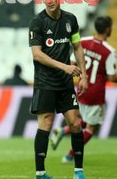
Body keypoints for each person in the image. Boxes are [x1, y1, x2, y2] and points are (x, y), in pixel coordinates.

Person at [29, 0, 88, 179]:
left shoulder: (70, 19)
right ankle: (40, 175)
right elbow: (37, 55)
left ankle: (78, 171)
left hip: (65, 83)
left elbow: (77, 46)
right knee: (45, 123)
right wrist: (65, 67)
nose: (50, 0)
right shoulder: (37, 22)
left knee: (76, 123)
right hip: (45, 81)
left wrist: (84, 74)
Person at [50, 16, 117, 162]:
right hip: (96, 93)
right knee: (91, 128)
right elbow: (112, 78)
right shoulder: (109, 51)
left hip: (81, 88)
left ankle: (62, 131)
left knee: (85, 121)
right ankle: (70, 155)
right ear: (108, 29)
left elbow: (71, 62)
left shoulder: (83, 41)